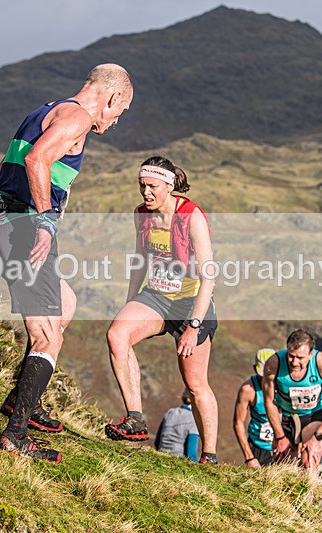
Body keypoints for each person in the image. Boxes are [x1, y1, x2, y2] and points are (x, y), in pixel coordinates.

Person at [0, 64, 133, 463]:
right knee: (48, 335)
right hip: (25, 229)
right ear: (113, 97)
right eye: (120, 112)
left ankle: (22, 399)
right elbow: (36, 160)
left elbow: (0, 171)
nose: (116, 121)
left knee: (64, 305)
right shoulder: (78, 117)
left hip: (2, 223)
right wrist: (45, 222)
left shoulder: (46, 110)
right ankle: (15, 435)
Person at [105, 156, 220, 465]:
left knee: (195, 384)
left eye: (152, 186)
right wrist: (130, 302)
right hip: (156, 297)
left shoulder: (191, 216)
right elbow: (140, 259)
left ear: (169, 186)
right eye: (142, 186)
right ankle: (135, 419)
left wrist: (193, 326)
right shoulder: (141, 215)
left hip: (191, 304)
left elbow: (209, 277)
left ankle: (209, 455)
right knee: (117, 335)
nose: (146, 192)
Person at [262, 329, 322, 472]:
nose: (294, 362)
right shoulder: (274, 364)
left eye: (300, 358)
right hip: (286, 415)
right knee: (285, 465)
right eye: (291, 356)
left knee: (309, 460)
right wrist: (279, 436)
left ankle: (313, 483)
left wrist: (318, 436)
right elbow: (269, 401)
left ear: (311, 354)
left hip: (313, 414)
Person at [233, 348, 277, 468]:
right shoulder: (248, 390)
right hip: (259, 447)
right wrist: (250, 457)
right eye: (263, 374)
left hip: (284, 445)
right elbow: (238, 423)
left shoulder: (285, 383)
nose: (267, 378)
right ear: (255, 369)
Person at [155, 389, 199, 461]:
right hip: (178, 459)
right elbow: (191, 454)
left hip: (161, 457)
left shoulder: (170, 412)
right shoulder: (193, 419)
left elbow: (157, 441)